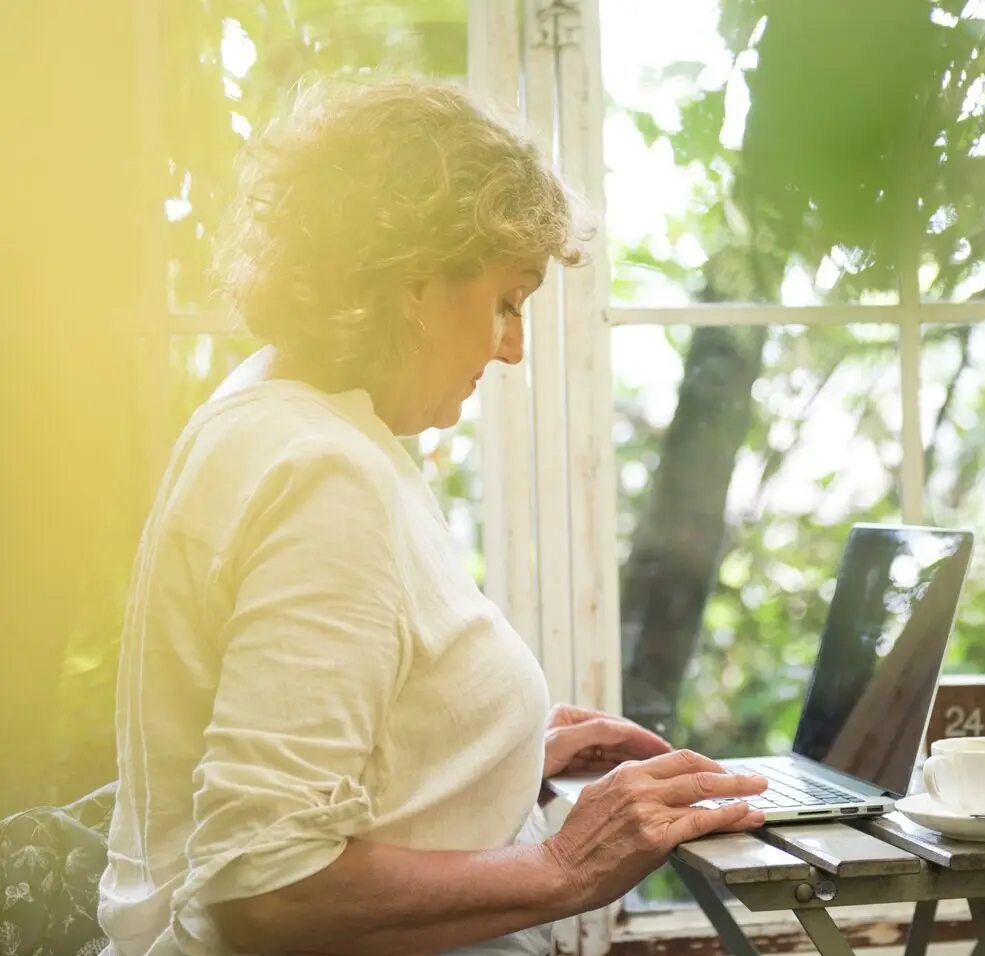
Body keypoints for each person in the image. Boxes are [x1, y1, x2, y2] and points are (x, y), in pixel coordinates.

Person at [97, 74, 767, 956]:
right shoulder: (323, 469)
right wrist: (570, 864)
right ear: (413, 280)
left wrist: (488, 743)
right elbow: (264, 885)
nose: (514, 345)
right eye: (505, 301)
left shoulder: (275, 406)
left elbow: (322, 728)